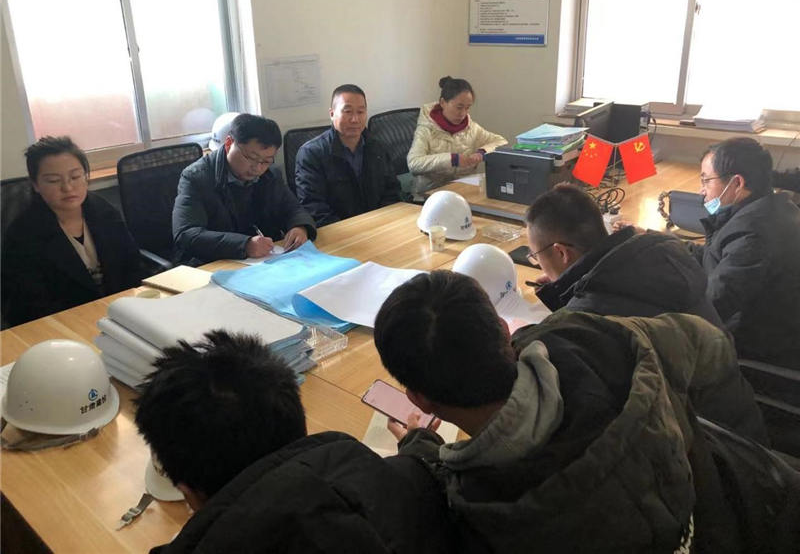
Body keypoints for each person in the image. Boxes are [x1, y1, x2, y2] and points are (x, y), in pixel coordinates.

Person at [374, 271, 791, 553]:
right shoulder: (603, 342)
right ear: (503, 331)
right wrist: (723, 438)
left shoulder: (481, 511)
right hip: (762, 507)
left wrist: (421, 451)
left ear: (419, 400)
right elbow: (711, 342)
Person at [135, 330, 455, 554]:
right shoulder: (411, 485)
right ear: (298, 421)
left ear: (189, 493)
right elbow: (423, 467)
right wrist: (420, 439)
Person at [690, 137, 800, 455]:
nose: (701, 190)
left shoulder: (753, 233)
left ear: (736, 183)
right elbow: (718, 256)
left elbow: (712, 309)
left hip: (761, 351)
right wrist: (660, 245)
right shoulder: (771, 209)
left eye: (706, 180)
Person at [526, 183, 725, 328]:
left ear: (561, 252)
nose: (537, 262)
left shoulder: (590, 314)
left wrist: (566, 304)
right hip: (722, 369)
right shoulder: (663, 250)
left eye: (535, 256)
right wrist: (565, 291)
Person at [1, 136, 142, 327]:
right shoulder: (22, 235)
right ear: (35, 185)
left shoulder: (104, 212)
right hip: (63, 327)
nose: (67, 188)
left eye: (75, 177)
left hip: (119, 316)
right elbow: (27, 307)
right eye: (53, 180)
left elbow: (131, 265)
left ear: (86, 176)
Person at [172, 113, 316, 266]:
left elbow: (293, 209)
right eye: (251, 158)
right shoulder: (196, 177)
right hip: (213, 263)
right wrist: (244, 245)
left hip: (264, 262)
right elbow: (186, 234)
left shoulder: (270, 175)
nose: (258, 168)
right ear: (229, 144)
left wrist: (300, 227)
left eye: (266, 161)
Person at [294, 84, 401, 226]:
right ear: (332, 114)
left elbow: (392, 192)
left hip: (379, 227)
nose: (355, 119)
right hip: (337, 231)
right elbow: (314, 207)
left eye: (360, 112)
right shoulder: (311, 154)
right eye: (348, 111)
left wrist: (382, 223)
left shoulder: (377, 148)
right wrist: (349, 231)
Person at [407, 76, 505, 194]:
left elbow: (501, 141)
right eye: (459, 107)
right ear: (443, 103)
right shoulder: (426, 129)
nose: (463, 113)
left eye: (467, 108)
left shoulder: (471, 128)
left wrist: (483, 152)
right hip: (431, 194)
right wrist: (452, 159)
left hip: (464, 190)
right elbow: (413, 163)